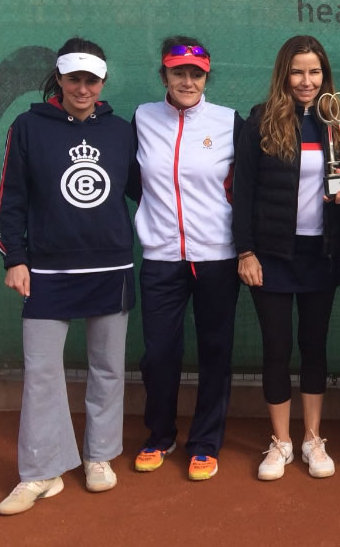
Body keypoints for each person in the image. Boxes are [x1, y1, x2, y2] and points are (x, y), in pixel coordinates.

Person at [0, 38, 137, 515]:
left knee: (108, 367)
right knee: (41, 372)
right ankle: (41, 471)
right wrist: (15, 258)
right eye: (74, 78)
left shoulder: (120, 131)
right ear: (58, 78)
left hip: (110, 268)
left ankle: (99, 457)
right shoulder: (27, 127)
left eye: (91, 80)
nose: (82, 88)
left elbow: (147, 189)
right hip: (46, 271)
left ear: (103, 82)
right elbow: (10, 199)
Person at [233, 35, 340, 481]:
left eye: (315, 72)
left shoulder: (339, 122)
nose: (307, 81)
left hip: (320, 255)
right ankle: (281, 442)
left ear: (325, 75)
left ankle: (311, 439)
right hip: (271, 256)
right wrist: (246, 251)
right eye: (298, 72)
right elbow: (242, 192)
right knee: (276, 348)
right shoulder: (260, 121)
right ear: (284, 75)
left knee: (313, 346)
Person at [133, 37, 242, 482]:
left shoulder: (228, 122)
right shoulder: (142, 118)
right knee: (159, 353)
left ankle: (205, 443)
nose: (187, 81)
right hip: (161, 256)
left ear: (206, 78)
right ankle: (160, 435)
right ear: (164, 75)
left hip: (217, 257)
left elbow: (244, 186)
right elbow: (132, 179)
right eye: (178, 72)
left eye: (196, 74)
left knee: (215, 351)